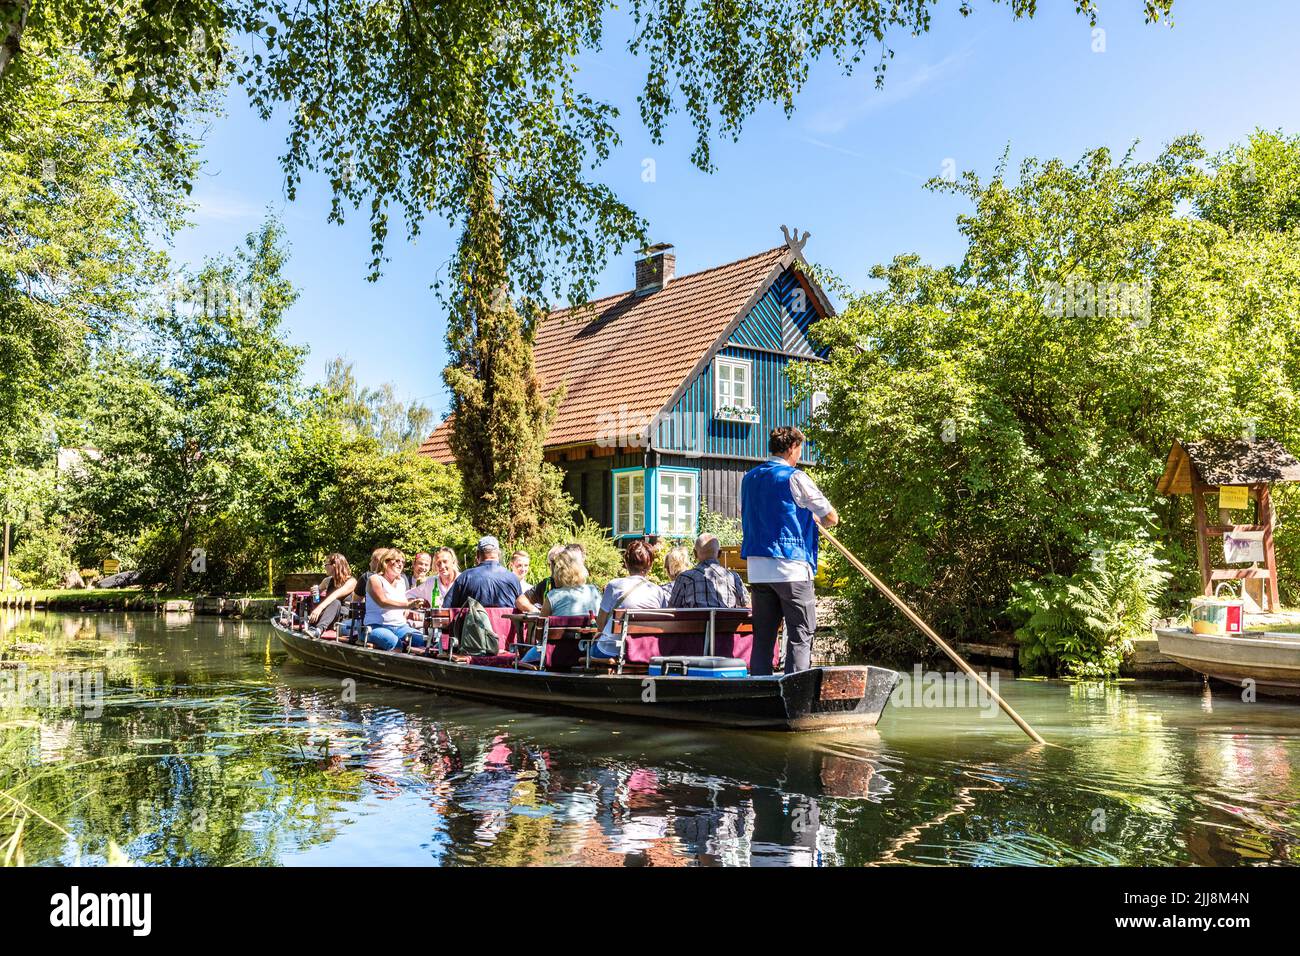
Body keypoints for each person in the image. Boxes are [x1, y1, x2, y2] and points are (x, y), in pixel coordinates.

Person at [740, 426, 837, 675]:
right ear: (792, 447)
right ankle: (796, 693)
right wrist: (816, 521)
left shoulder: (749, 478)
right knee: (800, 634)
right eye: (800, 449)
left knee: (763, 636)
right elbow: (830, 516)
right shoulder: (795, 477)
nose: (799, 455)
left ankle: (760, 690)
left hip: (758, 569)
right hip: (791, 567)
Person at [518, 550, 601, 666]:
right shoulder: (593, 591)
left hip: (555, 654)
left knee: (522, 663)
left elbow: (539, 634)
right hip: (586, 651)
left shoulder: (553, 596)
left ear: (559, 572)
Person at [591, 540, 667, 661]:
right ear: (650, 565)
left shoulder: (614, 586)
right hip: (645, 651)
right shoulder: (657, 591)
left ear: (626, 563)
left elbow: (600, 623)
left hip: (611, 650)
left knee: (590, 646)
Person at [363, 548, 427, 650]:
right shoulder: (375, 579)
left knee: (421, 640)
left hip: (400, 626)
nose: (400, 564)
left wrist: (408, 611)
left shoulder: (401, 581)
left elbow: (402, 607)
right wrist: (408, 605)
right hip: (377, 626)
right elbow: (382, 602)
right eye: (397, 561)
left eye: (402, 562)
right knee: (394, 642)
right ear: (386, 562)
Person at [669, 533, 749, 609]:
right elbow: (747, 606)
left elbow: (672, 609)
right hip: (727, 623)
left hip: (696, 623)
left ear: (695, 554)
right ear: (719, 553)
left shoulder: (684, 578)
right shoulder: (733, 577)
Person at [442, 536, 523, 609]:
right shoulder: (513, 578)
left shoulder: (465, 577)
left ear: (477, 555)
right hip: (505, 625)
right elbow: (521, 607)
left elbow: (447, 608)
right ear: (498, 554)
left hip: (474, 625)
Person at [307, 553, 357, 632]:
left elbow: (335, 594)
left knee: (335, 602)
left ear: (334, 565)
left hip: (341, 620)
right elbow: (315, 597)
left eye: (326, 564)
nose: (324, 567)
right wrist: (314, 592)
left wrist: (319, 608)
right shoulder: (327, 580)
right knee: (309, 599)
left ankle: (319, 630)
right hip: (327, 617)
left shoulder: (351, 582)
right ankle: (301, 618)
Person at [516, 544, 565, 612]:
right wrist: (537, 612)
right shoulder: (547, 583)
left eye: (557, 562)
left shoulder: (575, 582)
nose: (556, 566)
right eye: (553, 563)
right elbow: (520, 601)